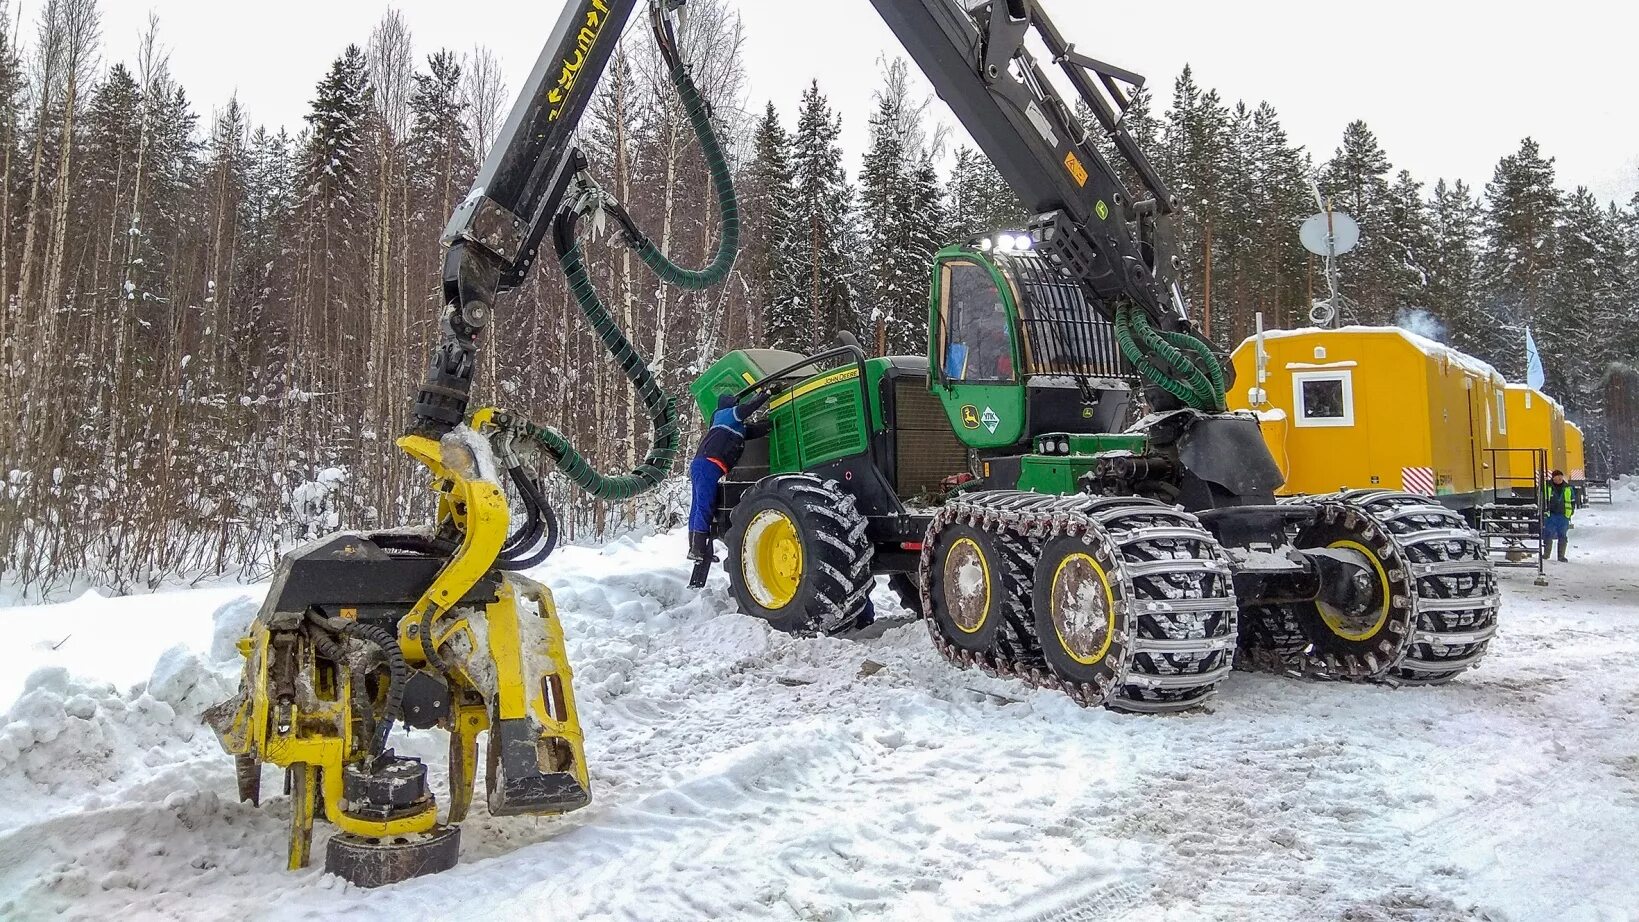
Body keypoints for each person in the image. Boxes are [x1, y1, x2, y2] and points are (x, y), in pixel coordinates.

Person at [688, 390, 772, 588]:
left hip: (704, 465)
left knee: (698, 505)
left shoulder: (735, 427)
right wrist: (765, 394)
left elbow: (755, 430)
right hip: (708, 464)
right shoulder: (724, 414)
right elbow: (746, 409)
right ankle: (698, 548)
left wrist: (771, 424)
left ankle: (695, 547)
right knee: (704, 505)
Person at [1542, 469, 1575, 562]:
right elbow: (1542, 498)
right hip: (1550, 514)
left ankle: (1561, 556)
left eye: (1561, 476)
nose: (1560, 478)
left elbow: (1572, 501)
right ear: (1553, 477)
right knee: (1548, 534)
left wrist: (1570, 512)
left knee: (1562, 535)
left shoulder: (1568, 488)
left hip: (1563, 516)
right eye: (1557, 476)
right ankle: (1546, 554)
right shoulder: (1547, 487)